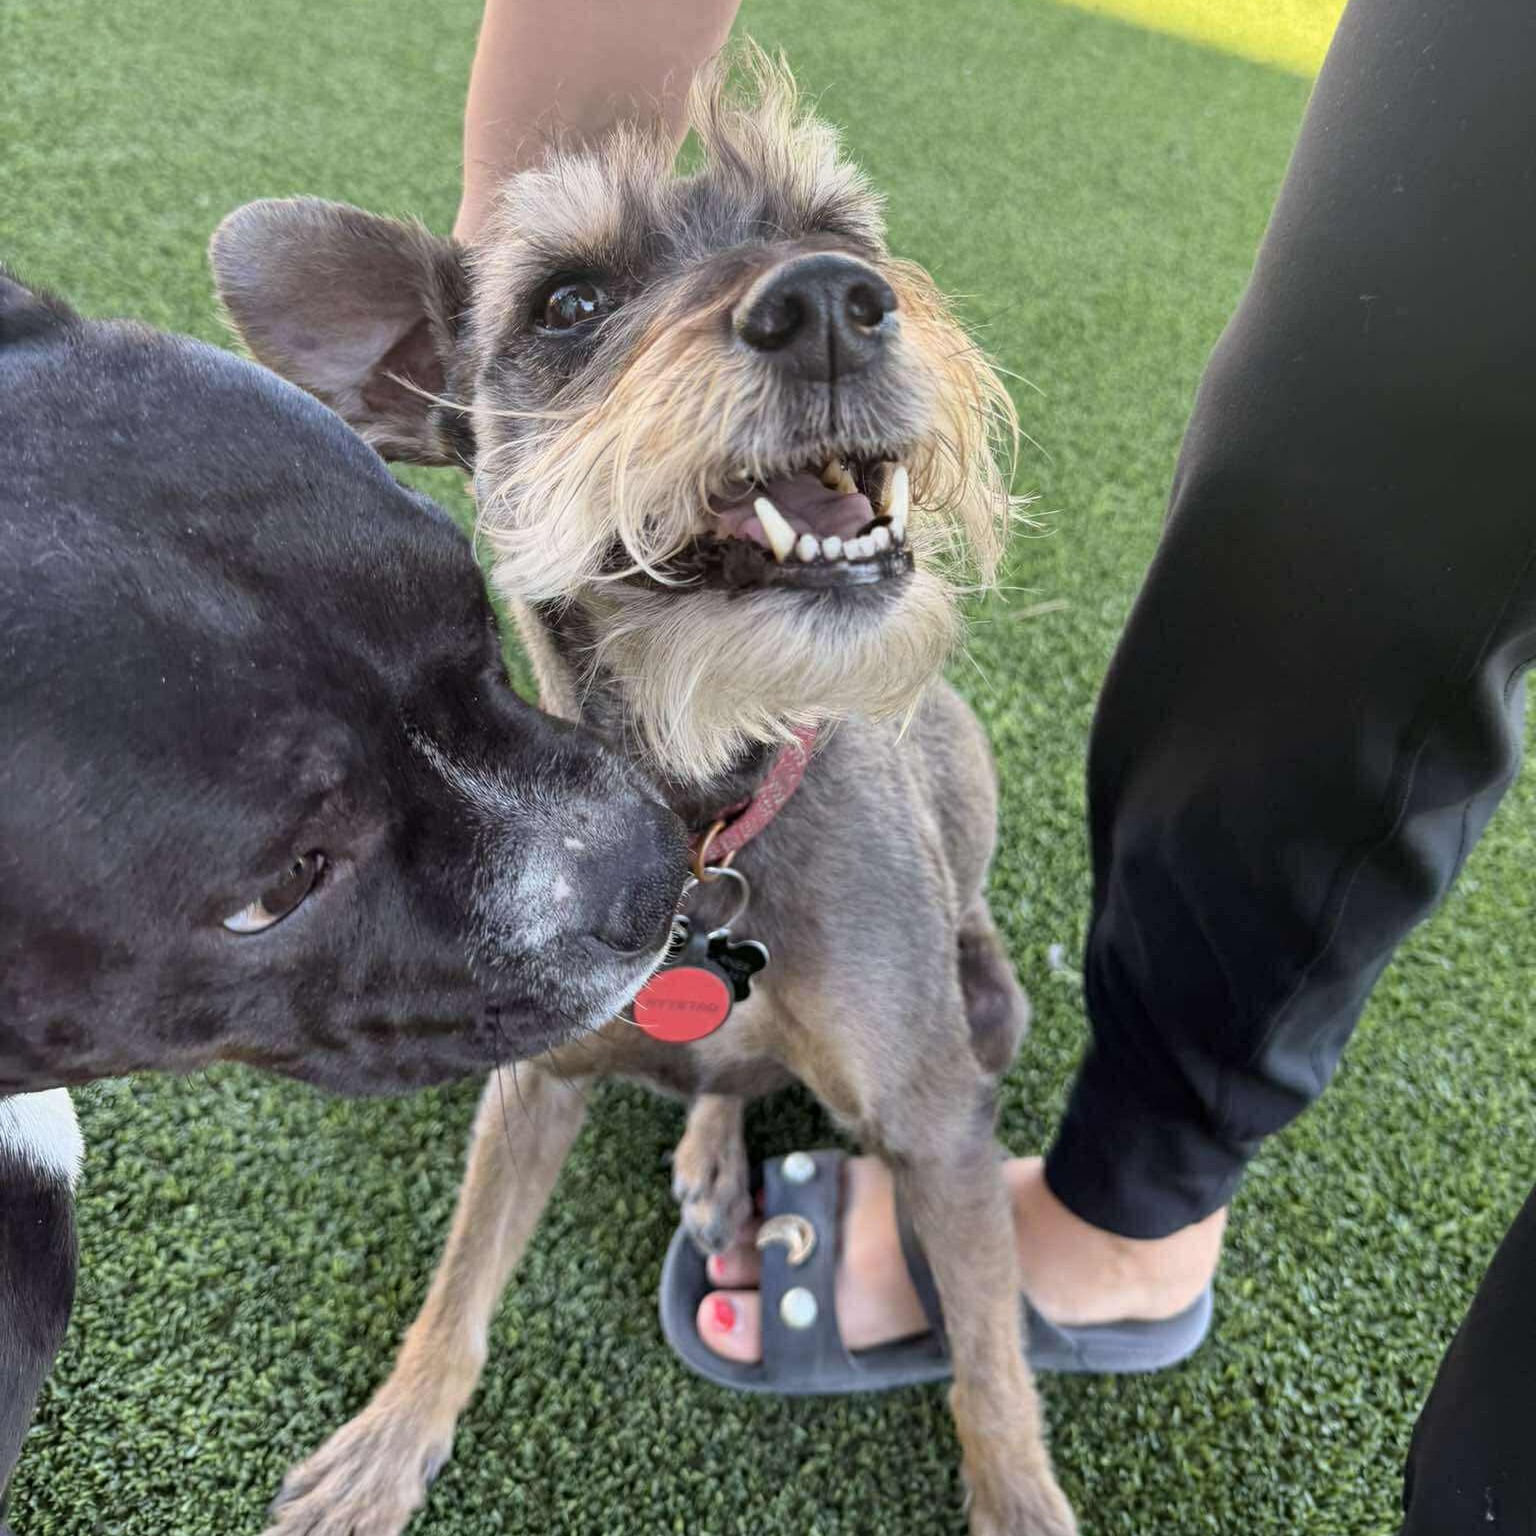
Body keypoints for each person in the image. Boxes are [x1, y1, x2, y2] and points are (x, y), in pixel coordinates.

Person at [457, 0, 1536, 1527]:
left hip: (858, 907)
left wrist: (1009, 1473)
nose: (824, 298)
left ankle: (1040, 1356)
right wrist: (428, 1387)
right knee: (1345, 446)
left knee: (956, 1052)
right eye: (570, 307)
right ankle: (690, 1132)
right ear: (436, 397)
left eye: (839, 243)